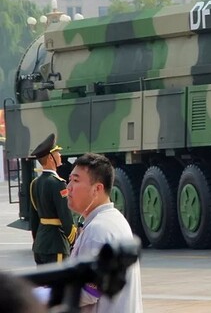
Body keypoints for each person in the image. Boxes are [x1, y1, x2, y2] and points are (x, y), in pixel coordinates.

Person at [66, 152, 143, 313]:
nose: (69, 187)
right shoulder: (113, 220)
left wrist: (43, 294)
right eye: (70, 180)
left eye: (76, 180)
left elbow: (90, 290)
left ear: (97, 189)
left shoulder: (98, 230)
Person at [28, 133, 77, 265]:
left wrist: (39, 241)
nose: (60, 155)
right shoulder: (58, 183)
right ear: (50, 158)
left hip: (40, 245)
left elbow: (34, 219)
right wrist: (74, 241)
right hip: (56, 245)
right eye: (57, 152)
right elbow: (65, 216)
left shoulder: (34, 183)